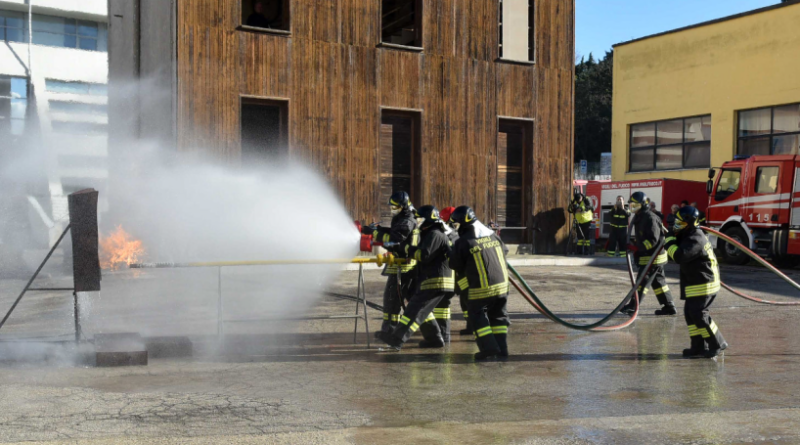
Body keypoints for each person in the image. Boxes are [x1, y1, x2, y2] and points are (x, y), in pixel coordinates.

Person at [377, 205, 455, 351]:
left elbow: (424, 255)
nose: (417, 221)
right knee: (420, 311)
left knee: (414, 312)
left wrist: (408, 250)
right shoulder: (430, 233)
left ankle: (396, 340)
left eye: (420, 218)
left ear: (428, 219)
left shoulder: (435, 234)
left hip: (436, 280)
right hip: (433, 280)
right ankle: (434, 339)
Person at [664, 206, 727, 358]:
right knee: (690, 314)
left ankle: (717, 343)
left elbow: (679, 256)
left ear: (690, 223)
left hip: (704, 284)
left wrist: (669, 242)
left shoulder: (696, 238)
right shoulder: (689, 234)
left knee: (699, 314)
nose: (676, 226)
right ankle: (698, 347)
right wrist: (673, 234)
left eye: (680, 224)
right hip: (696, 283)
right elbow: (680, 241)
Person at [449, 206, 511, 360]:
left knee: (476, 315)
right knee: (498, 316)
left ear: (463, 223)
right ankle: (502, 349)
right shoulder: (493, 235)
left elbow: (454, 264)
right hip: (503, 285)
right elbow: (506, 250)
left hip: (483, 287)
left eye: (456, 224)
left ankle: (488, 347)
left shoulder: (464, 241)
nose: (455, 228)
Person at [361, 191, 419, 337]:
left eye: (395, 207)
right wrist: (377, 229)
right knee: (405, 301)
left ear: (403, 206)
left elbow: (395, 239)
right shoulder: (403, 217)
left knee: (392, 301)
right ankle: (431, 332)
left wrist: (374, 234)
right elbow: (394, 232)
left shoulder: (407, 221)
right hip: (400, 265)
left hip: (403, 267)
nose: (392, 209)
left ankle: (390, 331)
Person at [621, 191, 677, 316]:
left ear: (643, 205)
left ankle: (633, 306)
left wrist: (636, 248)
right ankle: (669, 306)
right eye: (631, 205)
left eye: (635, 205)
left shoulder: (650, 218)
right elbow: (643, 237)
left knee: (641, 283)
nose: (632, 208)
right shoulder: (640, 217)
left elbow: (653, 240)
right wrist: (634, 244)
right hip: (650, 257)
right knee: (659, 284)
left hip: (653, 257)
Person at [440, 206, 472, 336]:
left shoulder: (455, 234)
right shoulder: (456, 232)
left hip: (461, 273)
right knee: (464, 299)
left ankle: (472, 326)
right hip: (458, 273)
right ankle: (471, 325)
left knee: (466, 299)